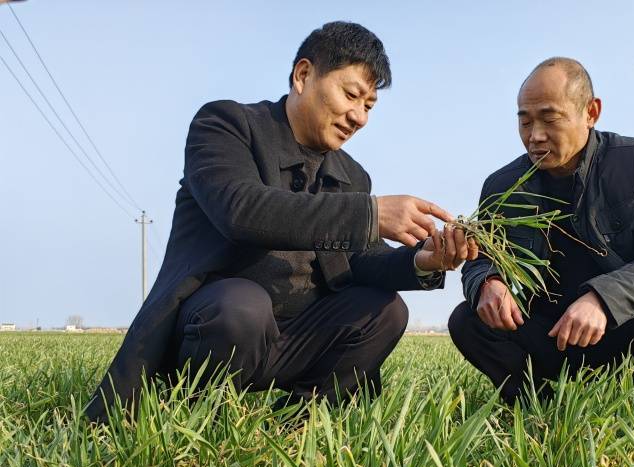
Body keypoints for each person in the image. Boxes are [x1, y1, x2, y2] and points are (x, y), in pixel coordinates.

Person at [86, 21, 476, 423]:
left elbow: (361, 259)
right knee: (242, 306)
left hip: (298, 337)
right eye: (350, 95)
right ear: (303, 75)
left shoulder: (352, 175)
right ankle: (198, 413)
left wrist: (421, 261)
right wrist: (371, 214)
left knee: (386, 310)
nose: (358, 116)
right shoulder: (226, 126)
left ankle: (299, 423)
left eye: (369, 106)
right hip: (219, 326)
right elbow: (241, 210)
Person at [449, 57, 634, 403]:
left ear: (591, 112)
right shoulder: (503, 185)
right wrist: (488, 283)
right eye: (524, 122)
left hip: (624, 328)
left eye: (549, 119)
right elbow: (479, 259)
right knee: (467, 320)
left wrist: (603, 299)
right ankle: (537, 408)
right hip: (550, 334)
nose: (535, 136)